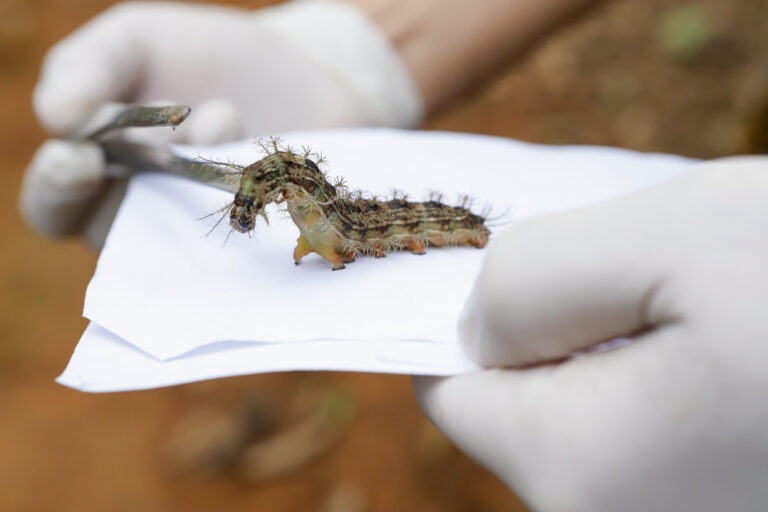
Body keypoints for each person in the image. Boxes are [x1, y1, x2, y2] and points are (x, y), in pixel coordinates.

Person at [20, 1, 768, 510]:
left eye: (250, 204)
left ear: (277, 193)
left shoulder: (344, 224)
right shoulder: (313, 213)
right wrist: (376, 42)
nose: (247, 216)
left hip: (432, 222)